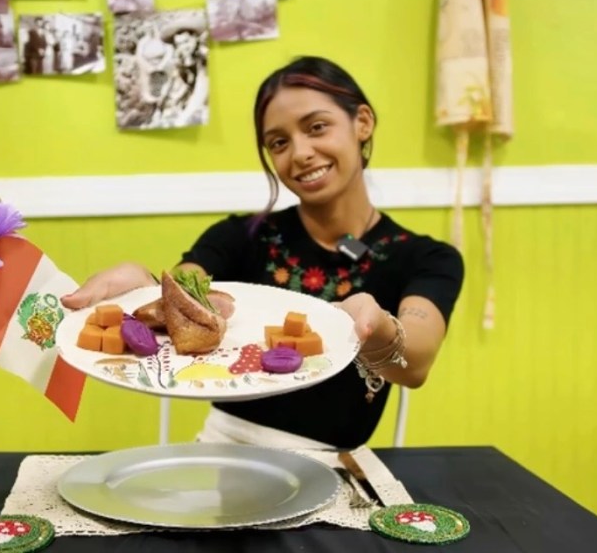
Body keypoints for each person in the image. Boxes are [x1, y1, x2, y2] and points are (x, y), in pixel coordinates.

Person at [61, 56, 464, 450]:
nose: (301, 152)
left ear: (362, 122)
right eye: (279, 142)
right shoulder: (240, 236)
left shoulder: (426, 257)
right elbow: (188, 289)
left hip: (338, 471)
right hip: (223, 450)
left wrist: (376, 325)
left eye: (317, 127)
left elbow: (417, 361)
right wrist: (146, 284)